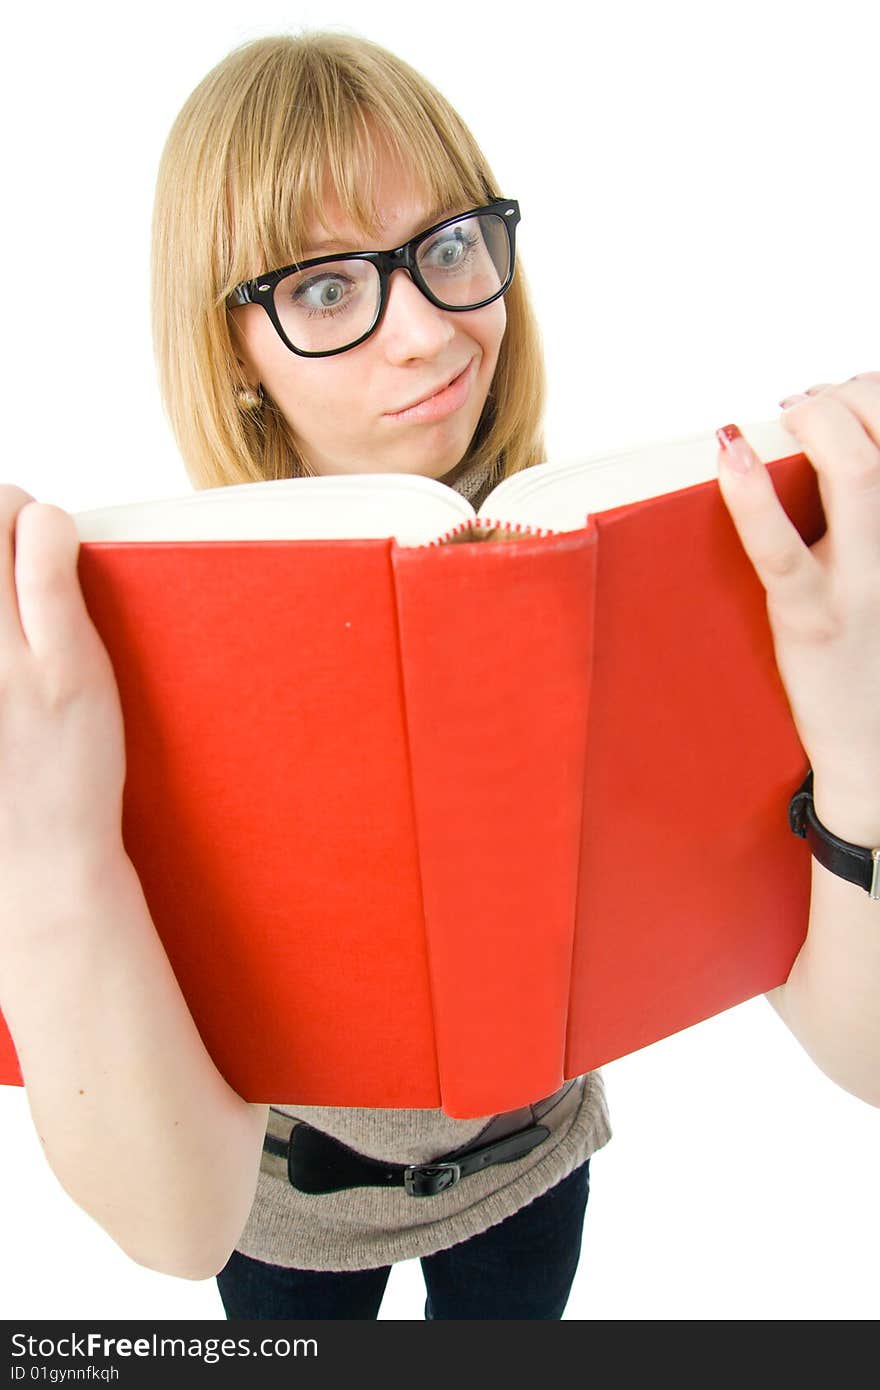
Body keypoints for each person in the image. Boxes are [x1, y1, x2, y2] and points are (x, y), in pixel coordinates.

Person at [0, 29, 877, 1322]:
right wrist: (50, 851)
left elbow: (861, 1051)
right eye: (324, 286)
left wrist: (861, 747)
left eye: (450, 247)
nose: (426, 331)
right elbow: (173, 1229)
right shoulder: (126, 648)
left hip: (535, 1168)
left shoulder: (616, 571)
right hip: (286, 1206)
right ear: (234, 346)